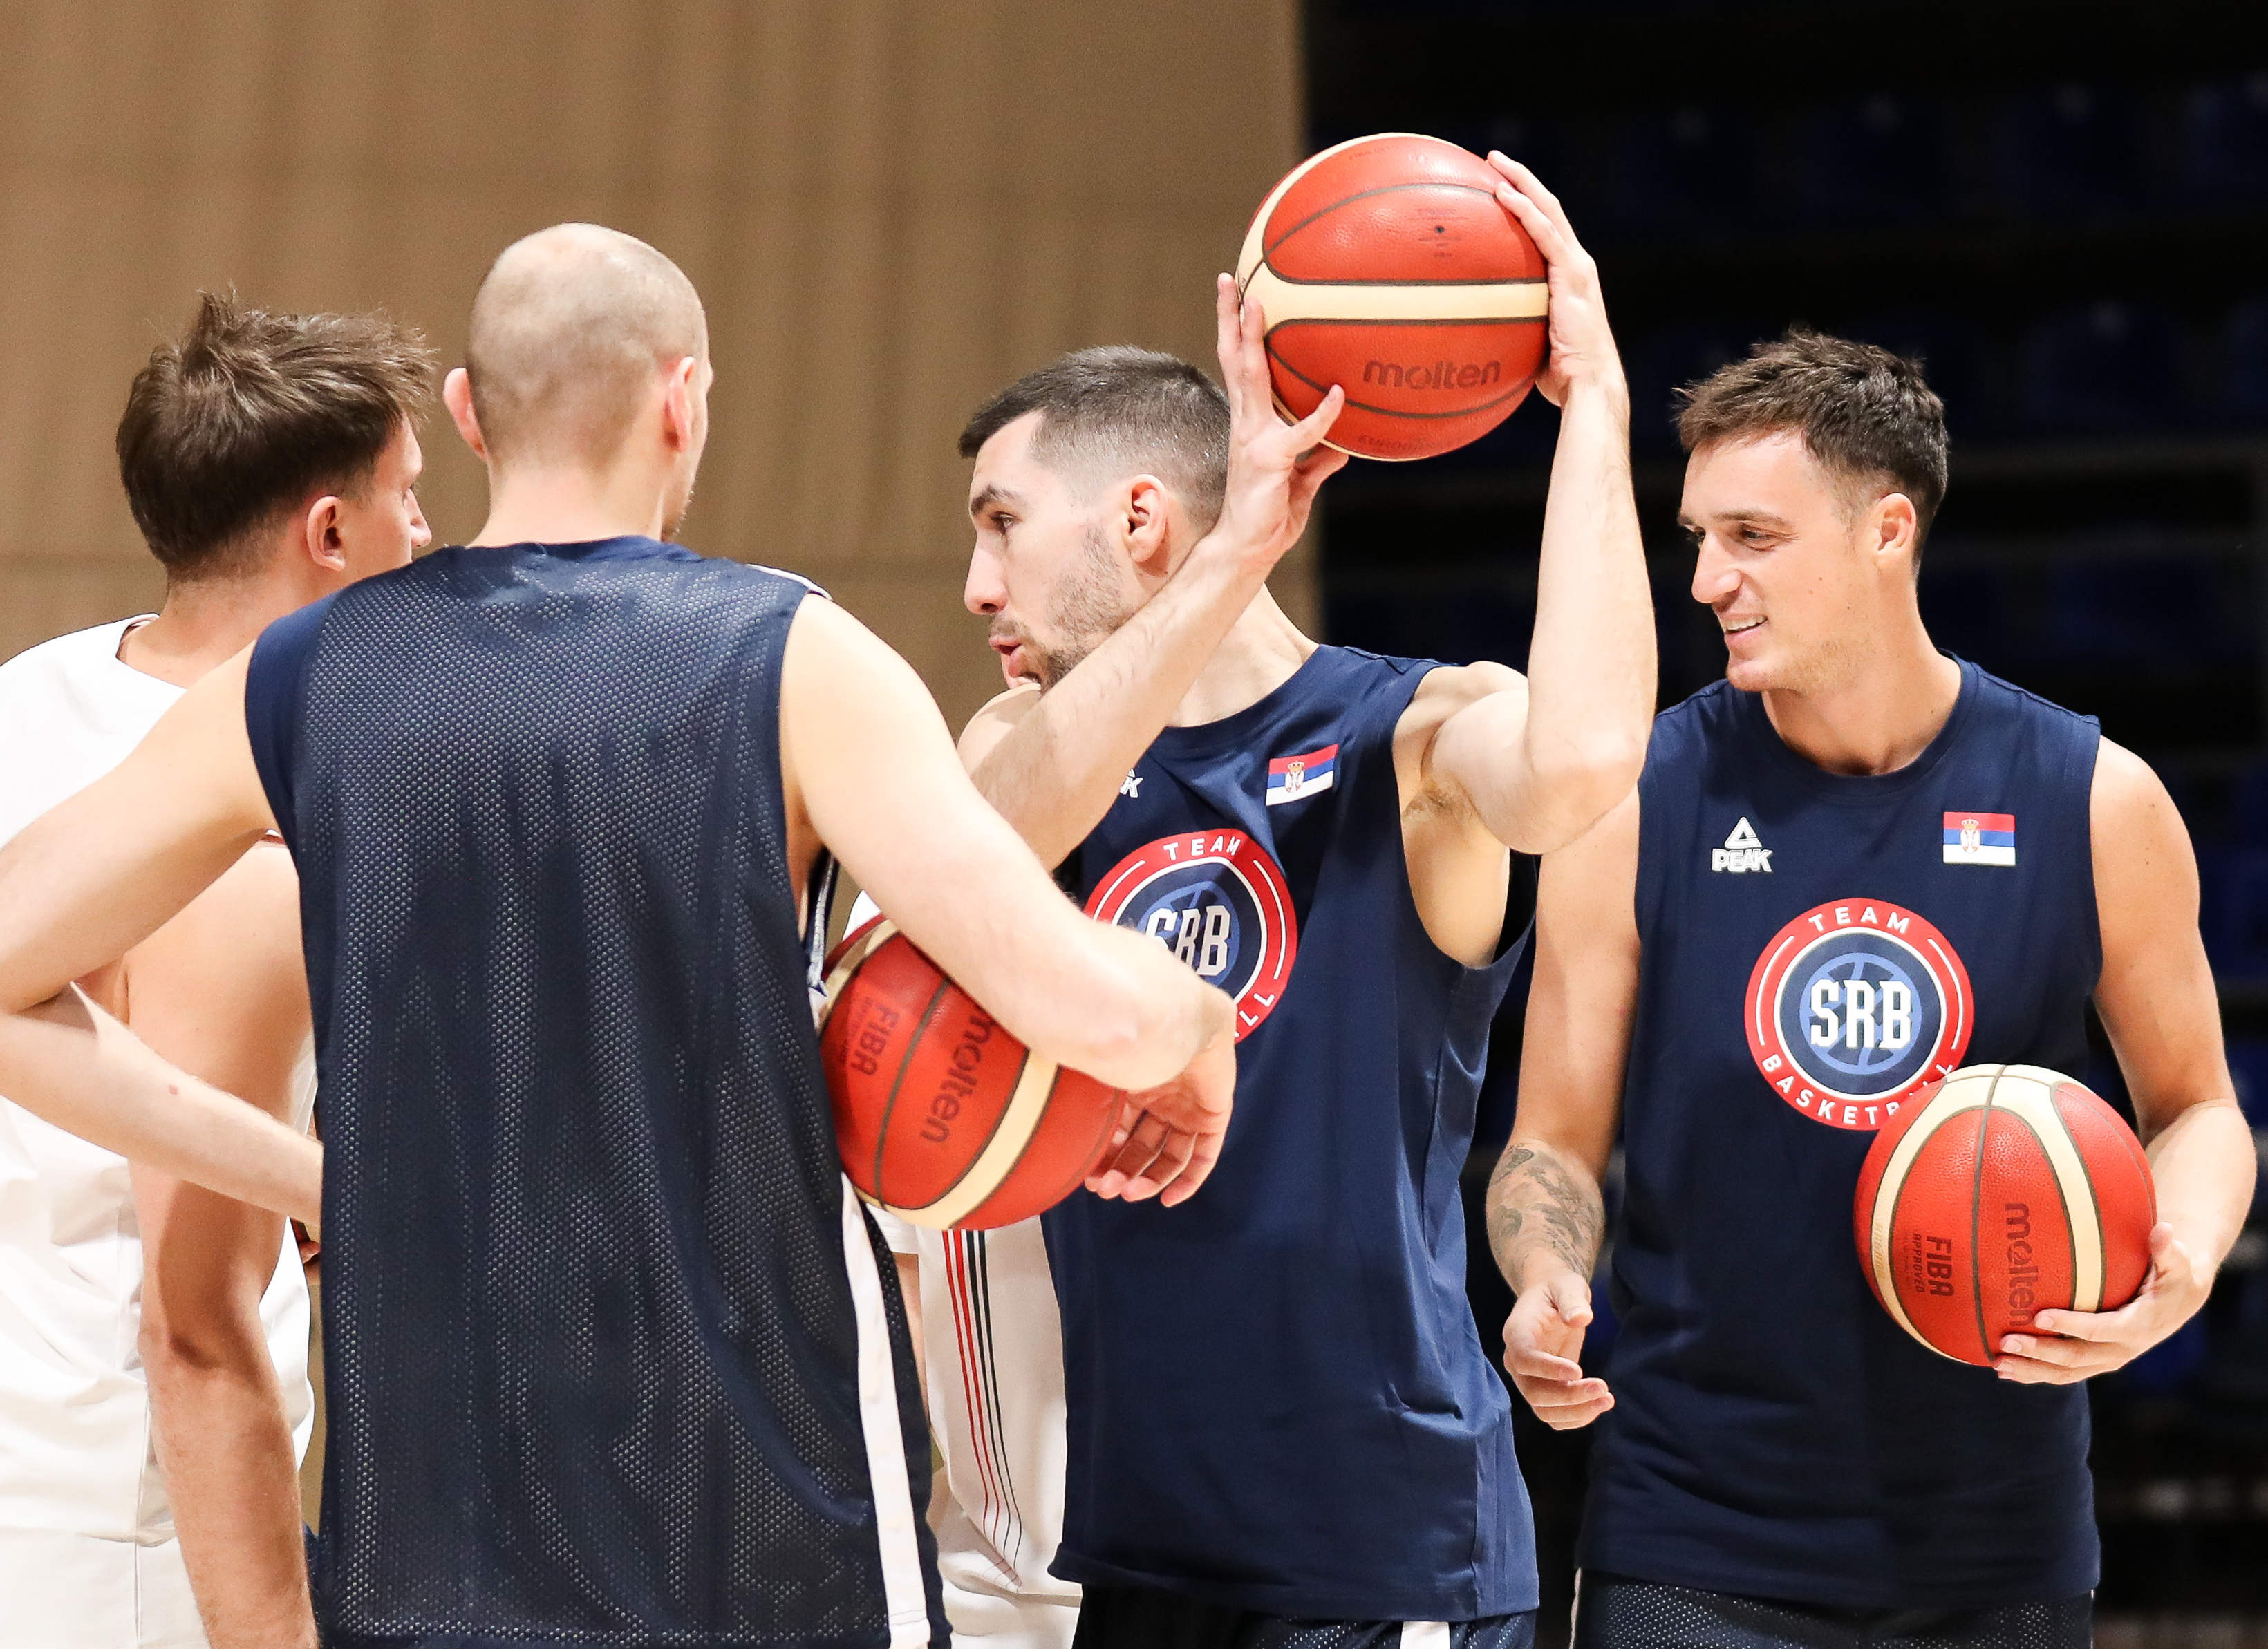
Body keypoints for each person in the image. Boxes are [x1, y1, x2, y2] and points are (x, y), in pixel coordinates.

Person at [0, 223, 1251, 1649]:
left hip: (433, 1543)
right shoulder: (794, 653)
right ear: (687, 401)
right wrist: (1190, 1020)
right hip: (765, 1525)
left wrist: (322, 1178)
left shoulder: (292, 682)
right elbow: (1073, 996)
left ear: (468, 414)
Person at [891, 156, 1654, 1649]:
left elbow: (1579, 761)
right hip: (1143, 1537)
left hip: (1383, 1536)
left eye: (1002, 524)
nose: (978, 583)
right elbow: (990, 830)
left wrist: (1598, 404)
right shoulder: (1012, 755)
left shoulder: (1411, 735)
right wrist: (1240, 542)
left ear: (1135, 519)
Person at [1489, 330, 2256, 1649]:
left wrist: (2174, 1265)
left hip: (1995, 1536)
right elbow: (1550, 1145)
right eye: (1697, 536)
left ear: (1887, 529)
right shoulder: (1630, 802)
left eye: (1751, 536)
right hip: (1694, 1533)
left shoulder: (2091, 798)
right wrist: (1543, 1273)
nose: (1706, 578)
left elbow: (2196, 1109)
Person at [0, 292, 433, 1649]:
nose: (428, 538)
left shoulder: (26, 696)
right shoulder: (231, 821)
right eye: (410, 500)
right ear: (330, 531)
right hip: (123, 1522)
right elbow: (193, 1312)